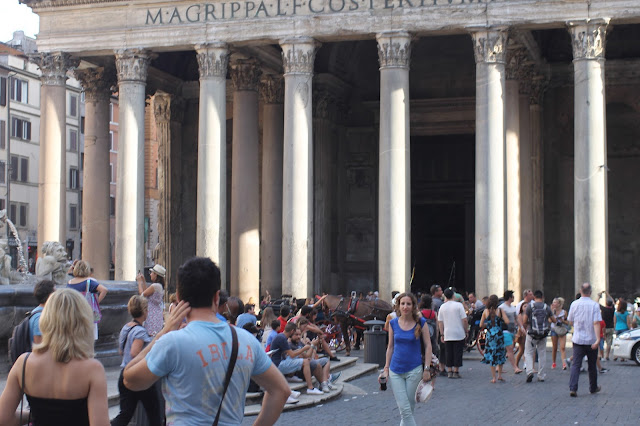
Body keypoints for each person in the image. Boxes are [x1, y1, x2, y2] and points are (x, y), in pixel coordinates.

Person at [123, 257, 289, 424]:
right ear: (217, 297)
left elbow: (129, 380)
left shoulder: (172, 342)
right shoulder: (246, 340)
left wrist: (163, 332)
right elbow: (281, 390)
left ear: (179, 298)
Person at [0, 288, 110, 425]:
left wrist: (32, 415)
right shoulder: (92, 369)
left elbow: (3, 418)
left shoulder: (24, 363)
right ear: (83, 322)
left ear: (46, 319)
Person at [381, 293, 432, 426]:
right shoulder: (392, 323)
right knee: (404, 409)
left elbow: (428, 346)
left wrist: (427, 368)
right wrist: (386, 368)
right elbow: (390, 347)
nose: (405, 307)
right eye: (402, 304)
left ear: (413, 306)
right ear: (398, 306)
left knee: (409, 407)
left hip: (414, 370)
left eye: (408, 304)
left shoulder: (421, 322)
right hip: (395, 370)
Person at [111, 296, 162, 426]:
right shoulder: (140, 332)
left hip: (124, 374)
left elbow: (122, 351)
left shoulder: (126, 327)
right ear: (144, 311)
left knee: (125, 413)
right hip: (139, 375)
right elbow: (135, 353)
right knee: (154, 414)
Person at [567, 283, 602, 397]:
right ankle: (593, 387)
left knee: (576, 364)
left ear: (580, 291)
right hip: (591, 339)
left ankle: (573, 388)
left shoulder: (574, 304)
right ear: (590, 292)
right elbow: (596, 322)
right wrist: (597, 340)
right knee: (592, 365)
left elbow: (570, 320)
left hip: (578, 339)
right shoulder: (594, 305)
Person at [270, 322, 325, 395]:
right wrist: (303, 349)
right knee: (305, 362)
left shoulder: (281, 336)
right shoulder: (282, 338)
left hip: (278, 362)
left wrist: (299, 352)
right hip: (279, 364)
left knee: (302, 358)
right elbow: (292, 355)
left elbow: (288, 353)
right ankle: (310, 388)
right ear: (292, 331)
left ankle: (291, 376)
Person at [67, 260, 108, 340]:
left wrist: (72, 267)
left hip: (73, 312)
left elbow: (68, 274)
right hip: (87, 312)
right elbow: (104, 290)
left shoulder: (70, 282)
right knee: (89, 338)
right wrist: (97, 302)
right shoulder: (90, 282)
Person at [523, 290, 555, 383]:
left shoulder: (530, 307)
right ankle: (541, 375)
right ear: (543, 297)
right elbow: (553, 320)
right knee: (542, 353)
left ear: (534, 297)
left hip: (532, 333)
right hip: (543, 334)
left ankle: (529, 371)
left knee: (528, 353)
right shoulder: (546, 307)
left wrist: (529, 324)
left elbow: (524, 321)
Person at [438, 288, 468, 378]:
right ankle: (456, 371)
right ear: (453, 295)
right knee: (457, 352)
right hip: (459, 332)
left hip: (447, 333)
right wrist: (466, 330)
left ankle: (449, 370)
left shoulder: (442, 307)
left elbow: (440, 321)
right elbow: (464, 319)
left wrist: (442, 333)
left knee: (448, 352)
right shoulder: (459, 305)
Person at [479, 295, 508, 383]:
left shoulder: (485, 311)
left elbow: (481, 325)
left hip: (490, 335)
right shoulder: (500, 310)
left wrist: (488, 325)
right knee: (500, 353)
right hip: (499, 334)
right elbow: (507, 321)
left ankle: (494, 377)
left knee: (491, 354)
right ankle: (499, 375)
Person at [136, 264, 166, 336]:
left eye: (152, 273)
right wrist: (144, 280)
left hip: (151, 314)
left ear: (156, 275)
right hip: (156, 313)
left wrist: (139, 282)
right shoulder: (159, 286)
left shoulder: (155, 286)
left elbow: (142, 295)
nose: (150, 274)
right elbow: (148, 292)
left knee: (150, 335)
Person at [498, 290, 522, 374]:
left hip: (512, 331)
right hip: (505, 331)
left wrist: (521, 327)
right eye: (512, 296)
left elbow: (516, 318)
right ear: (509, 297)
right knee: (510, 349)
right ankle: (515, 367)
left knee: (504, 350)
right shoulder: (501, 307)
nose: (514, 298)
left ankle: (498, 366)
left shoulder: (513, 307)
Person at [29, 280, 56, 345]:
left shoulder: (38, 312)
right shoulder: (40, 317)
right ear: (50, 296)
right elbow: (39, 346)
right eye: (55, 293)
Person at [550, 297, 568, 370]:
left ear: (559, 304)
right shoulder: (551, 311)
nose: (553, 304)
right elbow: (548, 320)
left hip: (561, 329)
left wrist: (562, 320)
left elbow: (568, 322)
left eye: (555, 302)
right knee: (554, 347)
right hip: (554, 329)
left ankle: (564, 363)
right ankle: (554, 362)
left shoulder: (564, 312)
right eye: (553, 302)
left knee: (562, 347)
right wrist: (553, 316)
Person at [597, 291, 615, 361]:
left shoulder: (604, 309)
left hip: (603, 327)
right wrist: (608, 294)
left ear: (606, 304)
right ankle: (607, 355)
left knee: (601, 341)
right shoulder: (612, 309)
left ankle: (601, 355)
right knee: (609, 342)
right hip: (611, 327)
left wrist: (599, 295)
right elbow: (613, 302)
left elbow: (597, 303)